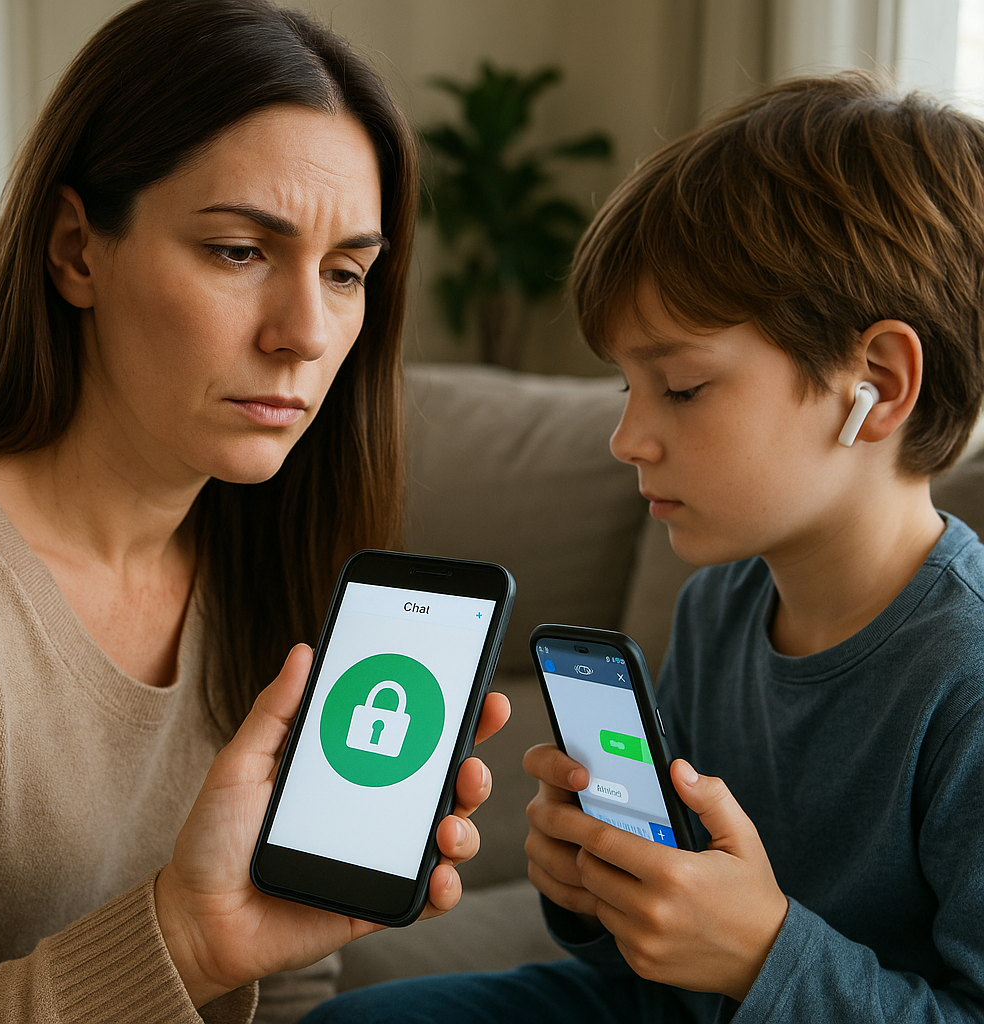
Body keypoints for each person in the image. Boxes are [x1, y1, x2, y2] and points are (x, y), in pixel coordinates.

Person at [304, 72, 984, 1022]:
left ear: (875, 383)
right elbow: (662, 916)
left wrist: (762, 957)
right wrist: (594, 884)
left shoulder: (969, 672)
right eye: (626, 387)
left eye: (682, 387)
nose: (628, 437)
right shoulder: (720, 605)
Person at [0, 1, 508, 1021]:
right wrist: (182, 943)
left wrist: (251, 945)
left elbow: (288, 989)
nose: (305, 332)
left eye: (345, 272)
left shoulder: (274, 561)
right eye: (237, 251)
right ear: (78, 249)